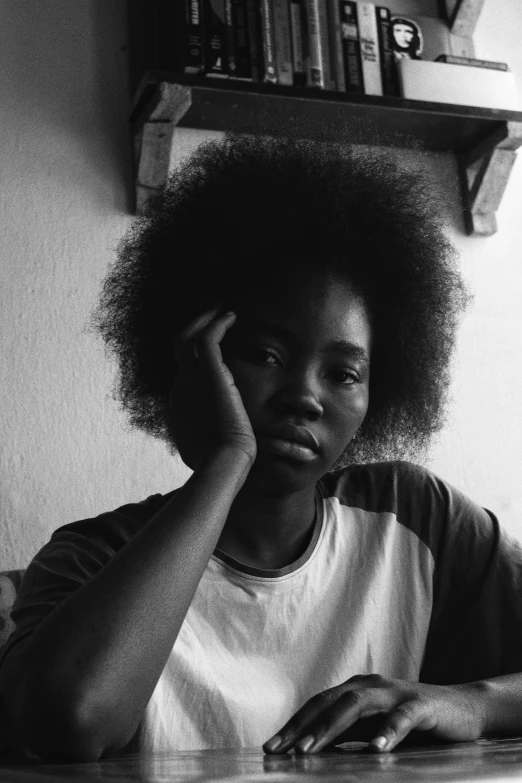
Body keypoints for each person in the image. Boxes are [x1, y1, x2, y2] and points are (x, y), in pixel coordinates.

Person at [1, 134, 522, 763]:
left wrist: (472, 702)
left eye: (344, 373)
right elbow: (66, 721)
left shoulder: (416, 516)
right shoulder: (91, 559)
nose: (305, 397)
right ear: (193, 360)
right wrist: (226, 461)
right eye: (265, 354)